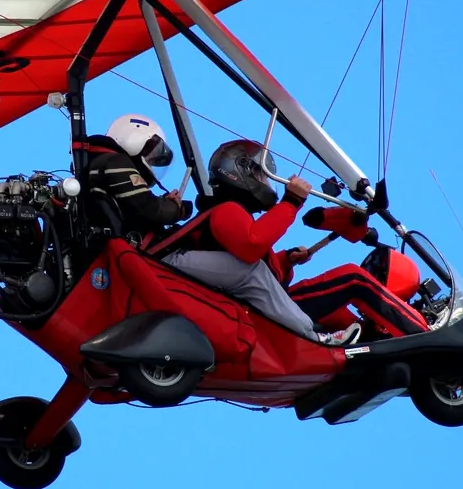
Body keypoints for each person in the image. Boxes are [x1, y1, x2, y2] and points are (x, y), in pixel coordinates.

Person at [160, 139, 427, 345]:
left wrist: (286, 260)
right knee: (353, 279)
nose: (266, 181)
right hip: (263, 311)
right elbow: (251, 248)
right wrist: (292, 201)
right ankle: (419, 332)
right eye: (262, 174)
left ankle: (375, 344)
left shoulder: (231, 215)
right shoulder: (225, 210)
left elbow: (252, 266)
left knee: (343, 317)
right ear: (240, 171)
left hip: (261, 304)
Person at [82, 114, 192, 241]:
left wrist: (163, 201)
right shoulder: (115, 162)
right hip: (126, 250)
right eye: (151, 152)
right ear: (134, 138)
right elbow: (148, 207)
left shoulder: (99, 162)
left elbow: (133, 209)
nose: (151, 161)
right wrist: (175, 208)